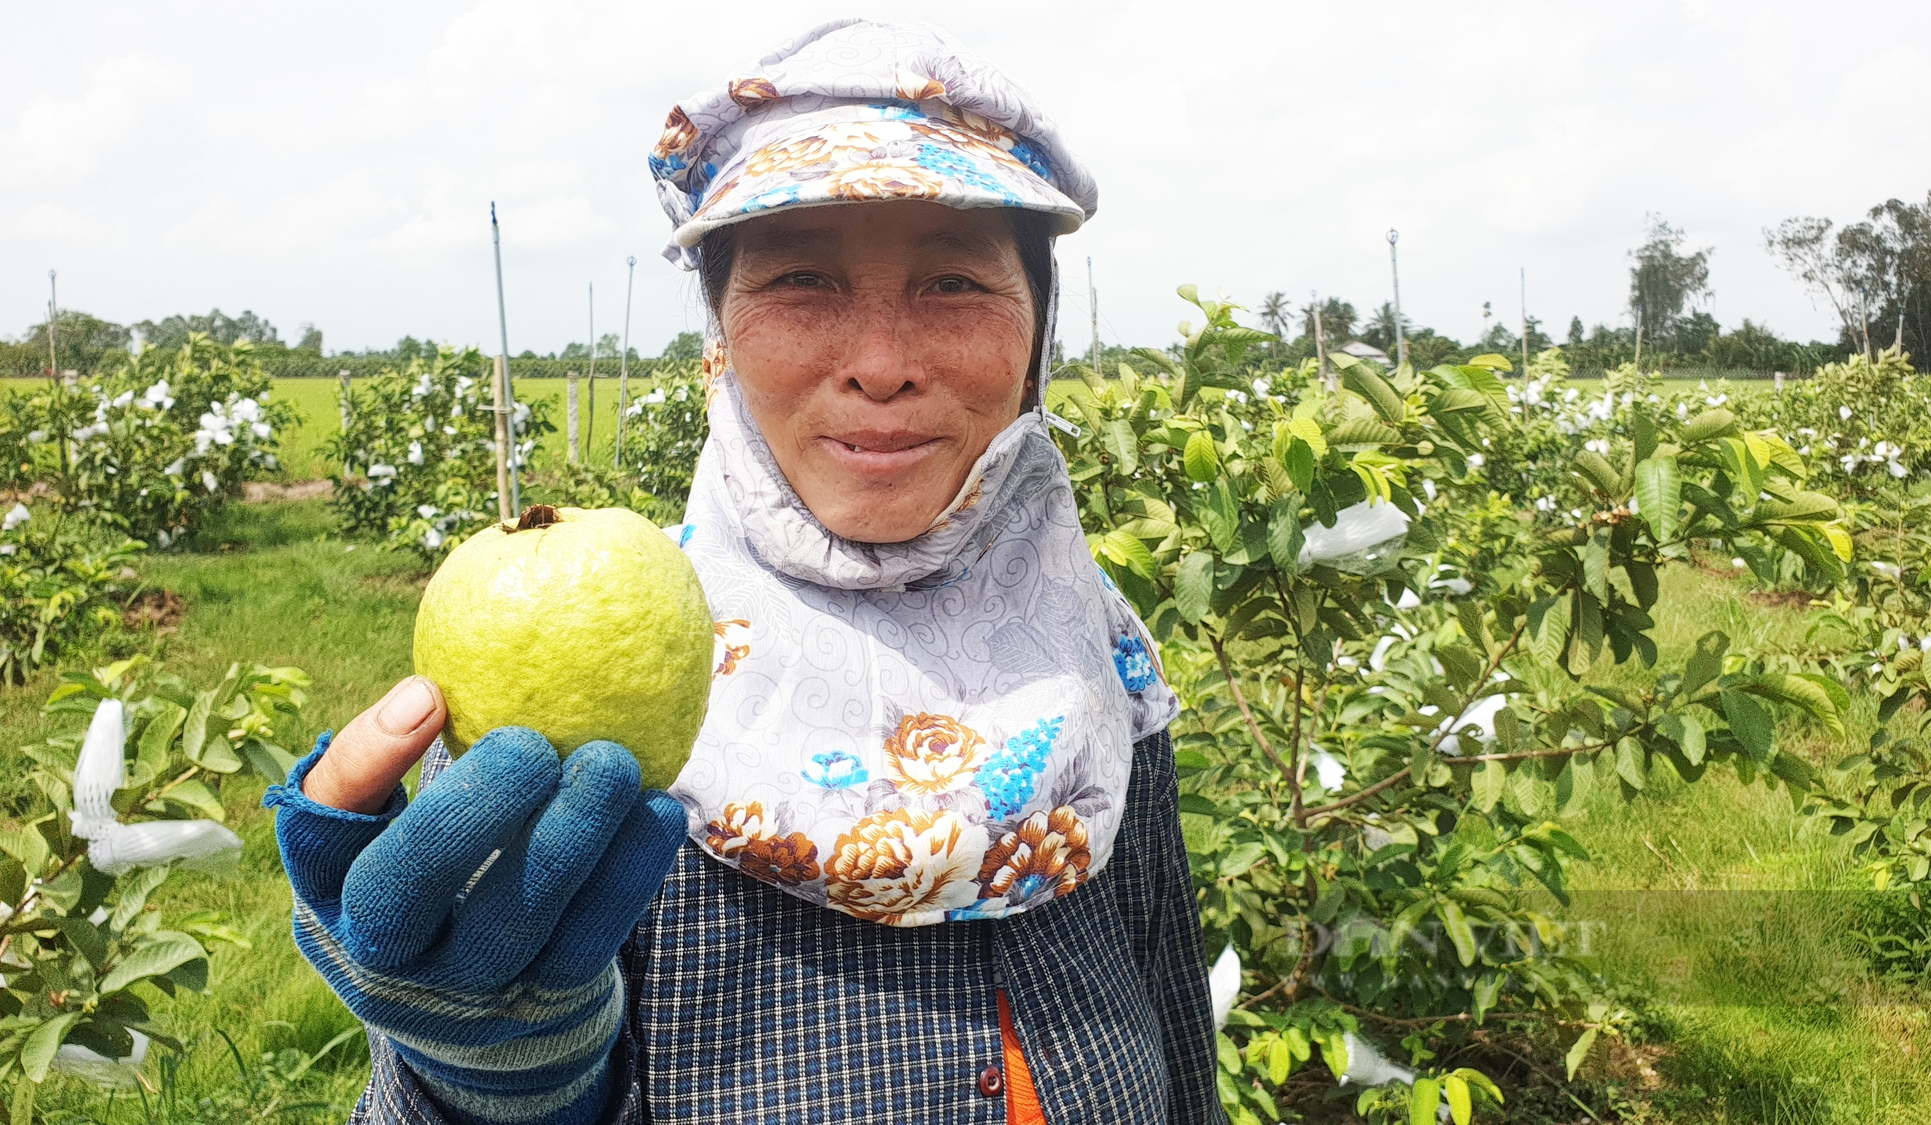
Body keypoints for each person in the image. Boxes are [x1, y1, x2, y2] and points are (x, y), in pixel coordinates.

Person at [267, 19, 1222, 1124]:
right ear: (719, 333)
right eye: (801, 281)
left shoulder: (1089, 642)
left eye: (955, 283)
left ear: (1036, 324)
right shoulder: (604, 668)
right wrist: (492, 1080)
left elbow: (1173, 1028)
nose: (880, 365)